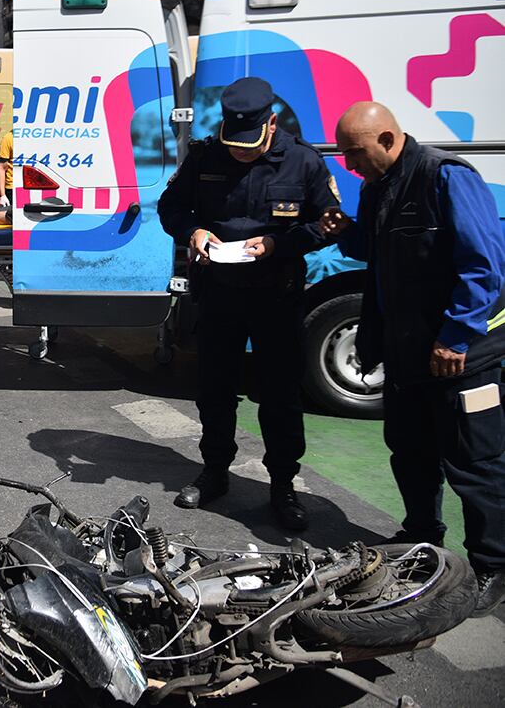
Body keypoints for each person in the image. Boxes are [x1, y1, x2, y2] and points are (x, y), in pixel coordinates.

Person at [322, 102, 504, 616]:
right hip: (408, 358)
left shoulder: (446, 178)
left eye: (355, 153)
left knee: (476, 463)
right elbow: (381, 257)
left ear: (386, 138)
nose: (350, 165)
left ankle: (492, 565)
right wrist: (347, 232)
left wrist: (456, 337)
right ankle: (422, 536)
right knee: (410, 452)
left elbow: (484, 268)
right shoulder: (377, 186)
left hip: (461, 357)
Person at [157, 76, 338, 531]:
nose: (238, 151)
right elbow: (170, 208)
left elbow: (329, 223)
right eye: (233, 142)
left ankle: (282, 485)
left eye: (249, 143)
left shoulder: (304, 162)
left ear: (271, 124)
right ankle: (215, 471)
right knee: (215, 388)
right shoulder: (204, 156)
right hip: (218, 292)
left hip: (277, 296)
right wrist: (193, 232)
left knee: (279, 394)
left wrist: (280, 244)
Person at [0, 126, 15, 209]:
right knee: (13, 218)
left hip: (32, 186)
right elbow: (1, 167)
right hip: (12, 188)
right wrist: (2, 195)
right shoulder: (9, 138)